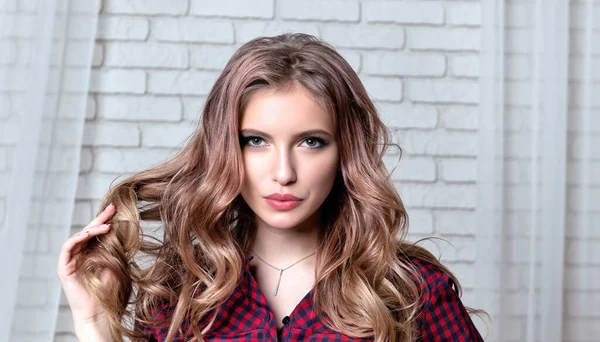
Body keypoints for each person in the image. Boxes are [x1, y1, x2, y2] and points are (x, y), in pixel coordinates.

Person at [57, 33, 486, 342]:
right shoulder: (182, 296)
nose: (283, 172)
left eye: (310, 142)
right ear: (227, 149)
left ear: (344, 153)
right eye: (256, 141)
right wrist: (93, 321)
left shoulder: (411, 292)